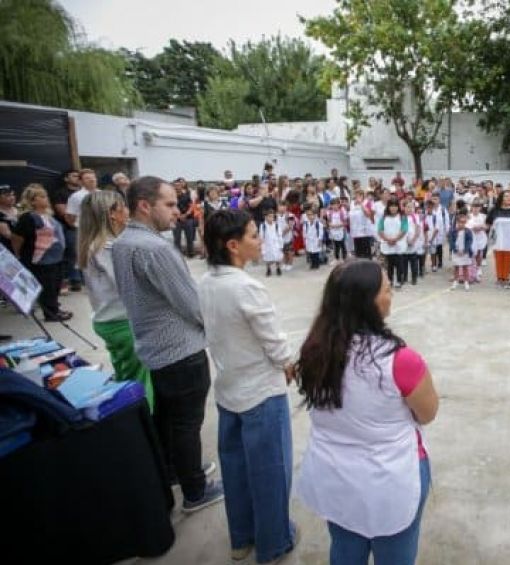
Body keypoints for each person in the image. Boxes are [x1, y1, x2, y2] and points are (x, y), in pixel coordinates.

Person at [296, 260, 438, 565]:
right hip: (388, 478)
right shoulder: (401, 361)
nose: (391, 295)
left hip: (334, 472)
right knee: (395, 553)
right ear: (367, 302)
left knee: (345, 547)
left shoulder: (314, 350)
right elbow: (427, 413)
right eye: (387, 290)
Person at [112, 175, 223, 513]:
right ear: (145, 205)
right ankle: (195, 491)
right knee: (186, 424)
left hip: (155, 348)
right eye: (171, 204)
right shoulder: (156, 248)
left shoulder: (122, 242)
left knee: (169, 418)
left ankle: (174, 472)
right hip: (180, 351)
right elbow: (192, 304)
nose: (178, 211)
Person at [198, 209, 297, 563]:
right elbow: (273, 341)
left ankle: (241, 538)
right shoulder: (247, 287)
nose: (261, 241)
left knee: (236, 468)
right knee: (271, 470)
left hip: (228, 389)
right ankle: (273, 541)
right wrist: (288, 364)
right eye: (255, 236)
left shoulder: (207, 282)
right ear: (233, 245)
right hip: (260, 393)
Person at [77, 190, 154, 409]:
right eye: (124, 207)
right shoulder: (110, 247)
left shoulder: (92, 244)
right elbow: (128, 285)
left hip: (107, 318)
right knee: (139, 382)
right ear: (112, 214)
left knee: (124, 371)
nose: (128, 212)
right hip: (122, 321)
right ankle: (142, 422)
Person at [11, 184, 70, 321]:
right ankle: (51, 313)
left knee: (55, 284)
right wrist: (18, 254)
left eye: (45, 196)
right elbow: (17, 238)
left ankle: (55, 308)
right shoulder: (28, 217)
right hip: (40, 259)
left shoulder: (48, 215)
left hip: (55, 258)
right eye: (41, 197)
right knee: (47, 286)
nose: (46, 199)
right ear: (32, 200)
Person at [52, 169, 82, 292]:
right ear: (66, 178)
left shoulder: (83, 192)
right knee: (72, 254)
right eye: (74, 176)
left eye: (78, 176)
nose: (77, 178)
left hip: (87, 227)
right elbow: (63, 212)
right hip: (70, 227)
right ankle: (75, 280)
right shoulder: (61, 193)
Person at [486, 190, 510, 288]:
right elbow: (488, 224)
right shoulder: (495, 210)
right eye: (506, 196)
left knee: (508, 260)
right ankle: (499, 279)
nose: (508, 198)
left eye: (509, 196)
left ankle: (506, 279)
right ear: (501, 198)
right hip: (498, 240)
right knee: (498, 260)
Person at [378, 197, 408, 287]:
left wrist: (395, 239)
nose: (393, 208)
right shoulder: (383, 217)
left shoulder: (402, 217)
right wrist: (388, 239)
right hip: (388, 245)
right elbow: (380, 230)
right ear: (388, 207)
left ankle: (399, 280)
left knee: (399, 264)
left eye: (395, 206)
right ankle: (390, 280)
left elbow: (404, 230)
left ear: (398, 207)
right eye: (391, 206)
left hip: (398, 245)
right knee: (389, 265)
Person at [449, 210, 473, 291]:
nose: (461, 224)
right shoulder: (453, 231)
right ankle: (456, 281)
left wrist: (465, 250)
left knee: (465, 267)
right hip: (456, 252)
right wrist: (455, 249)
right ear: (457, 222)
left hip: (465, 252)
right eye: (460, 222)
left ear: (465, 222)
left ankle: (466, 282)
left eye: (463, 222)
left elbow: (470, 241)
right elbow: (451, 241)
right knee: (456, 267)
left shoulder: (468, 231)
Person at [259, 209, 284, 276]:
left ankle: (278, 268)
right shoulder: (263, 226)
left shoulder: (276, 225)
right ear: (266, 217)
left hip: (276, 244)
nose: (271, 218)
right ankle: (268, 269)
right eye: (269, 216)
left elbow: (280, 235)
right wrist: (262, 247)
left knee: (278, 258)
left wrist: (281, 245)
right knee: (267, 258)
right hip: (267, 244)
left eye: (272, 216)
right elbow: (261, 237)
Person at [326, 198, 348, 262]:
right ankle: (336, 258)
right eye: (333, 205)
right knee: (335, 245)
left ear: (339, 205)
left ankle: (344, 258)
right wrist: (330, 225)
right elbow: (329, 222)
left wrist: (337, 226)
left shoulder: (342, 212)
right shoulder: (329, 213)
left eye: (336, 204)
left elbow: (345, 222)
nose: (335, 206)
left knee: (342, 244)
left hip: (341, 230)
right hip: (333, 231)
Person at [0, 184, 18, 252]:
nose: (12, 197)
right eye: (7, 195)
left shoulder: (19, 209)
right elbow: (8, 235)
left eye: (12, 194)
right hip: (8, 251)